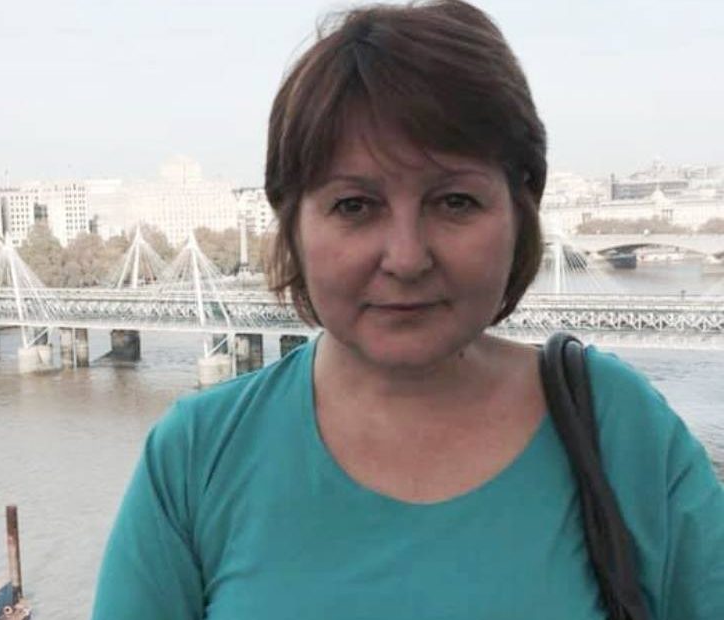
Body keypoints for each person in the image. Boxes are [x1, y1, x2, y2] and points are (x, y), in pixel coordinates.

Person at [91, 2, 724, 618]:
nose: (406, 257)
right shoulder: (197, 459)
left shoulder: (619, 430)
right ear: (292, 225)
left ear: (521, 210)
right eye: (354, 206)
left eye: (454, 202)